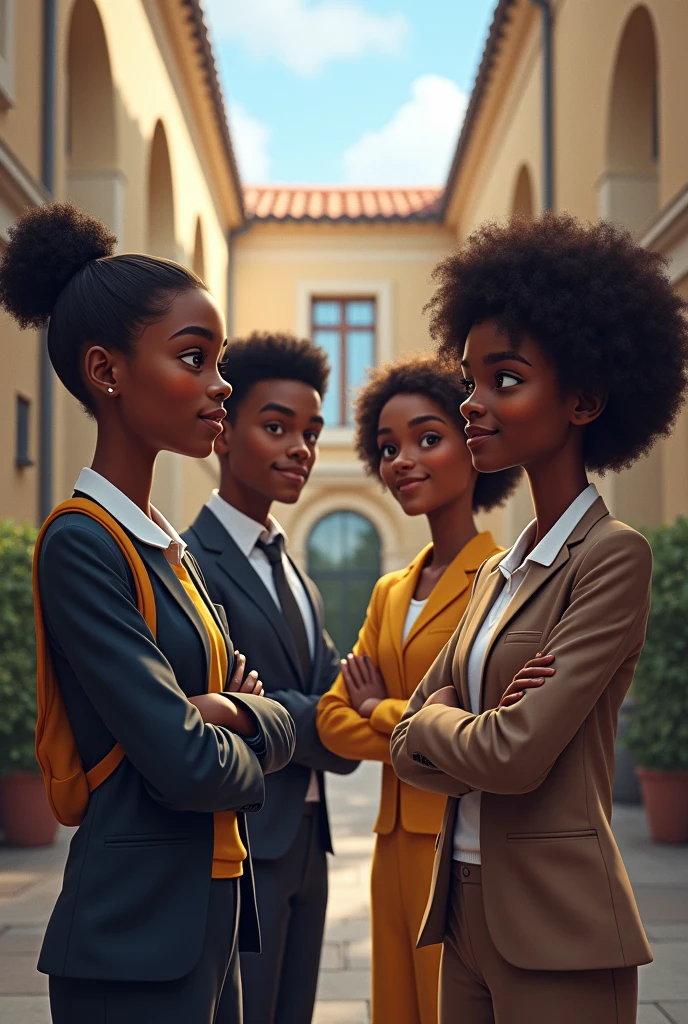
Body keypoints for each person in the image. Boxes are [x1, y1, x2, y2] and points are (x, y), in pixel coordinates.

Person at [0, 202, 296, 1024]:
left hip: (207, 917)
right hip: (130, 937)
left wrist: (225, 709)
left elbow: (255, 714)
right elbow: (186, 764)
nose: (220, 384)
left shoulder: (171, 547)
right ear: (107, 372)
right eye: (193, 358)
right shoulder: (83, 544)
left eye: (220, 360)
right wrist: (232, 728)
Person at [390, 213, 688, 1024]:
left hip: (561, 928)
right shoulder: (495, 569)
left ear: (584, 398)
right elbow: (403, 744)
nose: (472, 404)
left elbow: (516, 755)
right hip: (460, 915)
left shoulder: (612, 557)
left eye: (505, 379)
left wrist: (449, 719)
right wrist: (463, 726)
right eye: (470, 380)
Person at [316, 354, 520, 1024]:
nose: (402, 460)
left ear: (473, 444)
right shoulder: (389, 589)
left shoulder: (503, 581)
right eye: (387, 447)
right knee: (396, 1008)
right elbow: (330, 719)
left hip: (463, 845)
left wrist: (378, 707)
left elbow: (484, 727)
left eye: (427, 438)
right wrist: (413, 720)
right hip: (392, 839)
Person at [183, 331, 359, 1024]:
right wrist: (319, 713)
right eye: (277, 426)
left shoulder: (296, 570)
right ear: (224, 434)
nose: (302, 449)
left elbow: (343, 730)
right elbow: (206, 716)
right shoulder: (189, 563)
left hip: (311, 846)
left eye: (311, 432)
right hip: (241, 847)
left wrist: (269, 711)